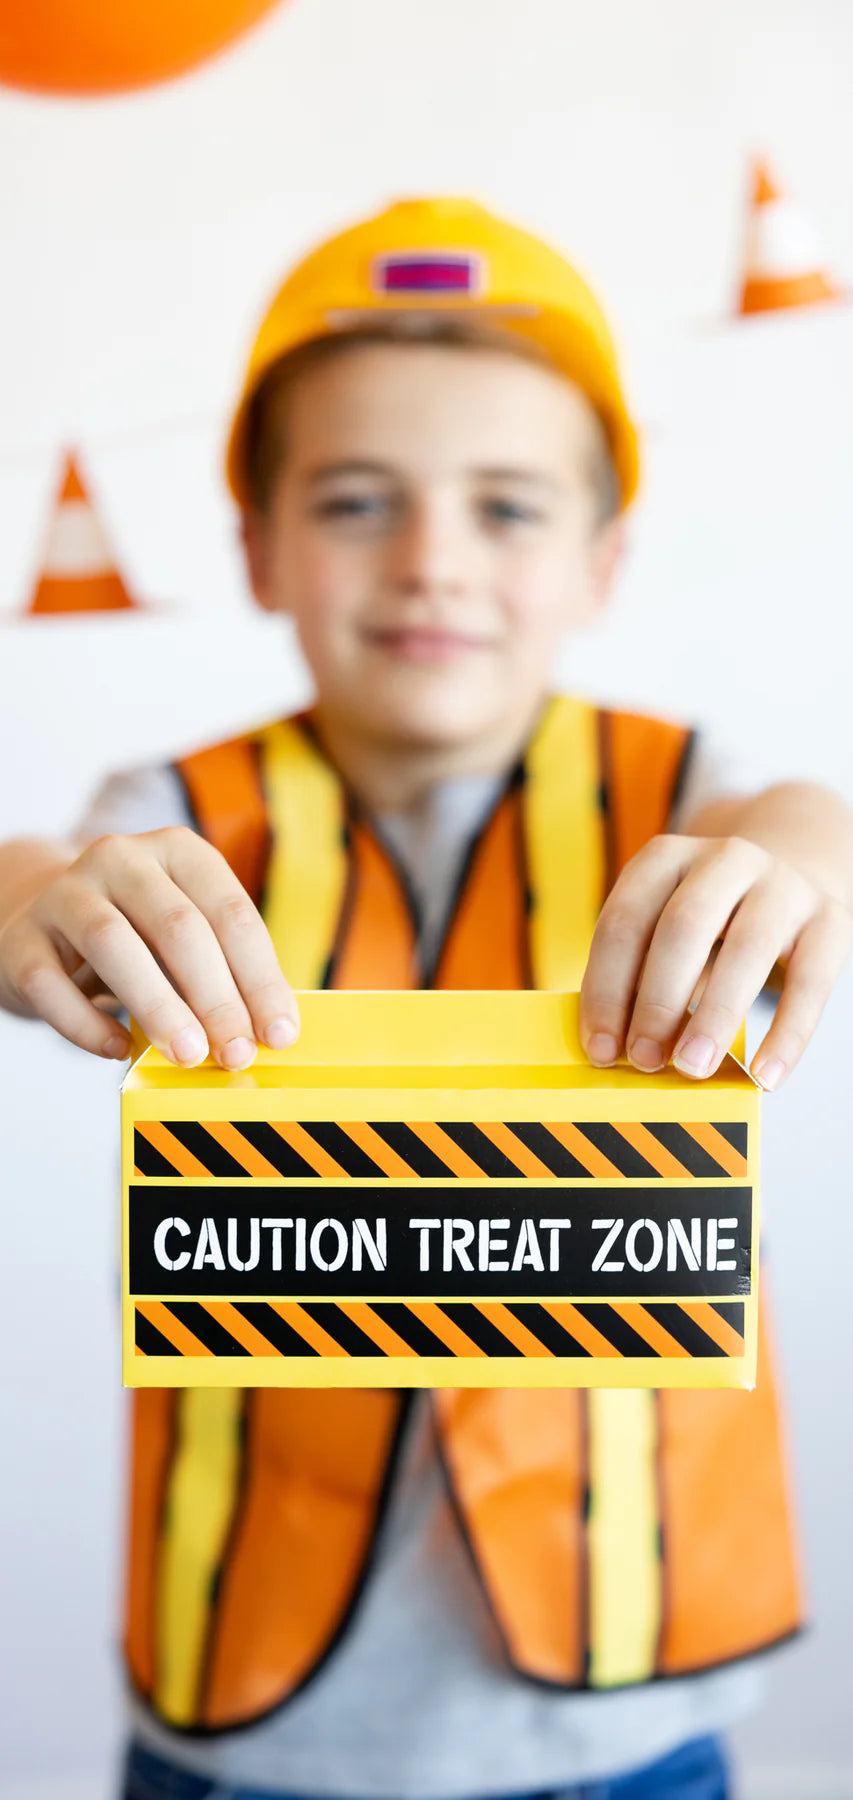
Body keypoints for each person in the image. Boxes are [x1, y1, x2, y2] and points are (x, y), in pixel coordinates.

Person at [1, 197, 852, 1800]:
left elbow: (801, 824)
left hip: (628, 1705)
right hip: (243, 1707)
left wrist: (810, 857)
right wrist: (33, 904)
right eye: (355, 499)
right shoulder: (175, 809)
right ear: (257, 545)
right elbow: (34, 884)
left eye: (508, 507)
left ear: (601, 559)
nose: (431, 562)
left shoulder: (673, 788)